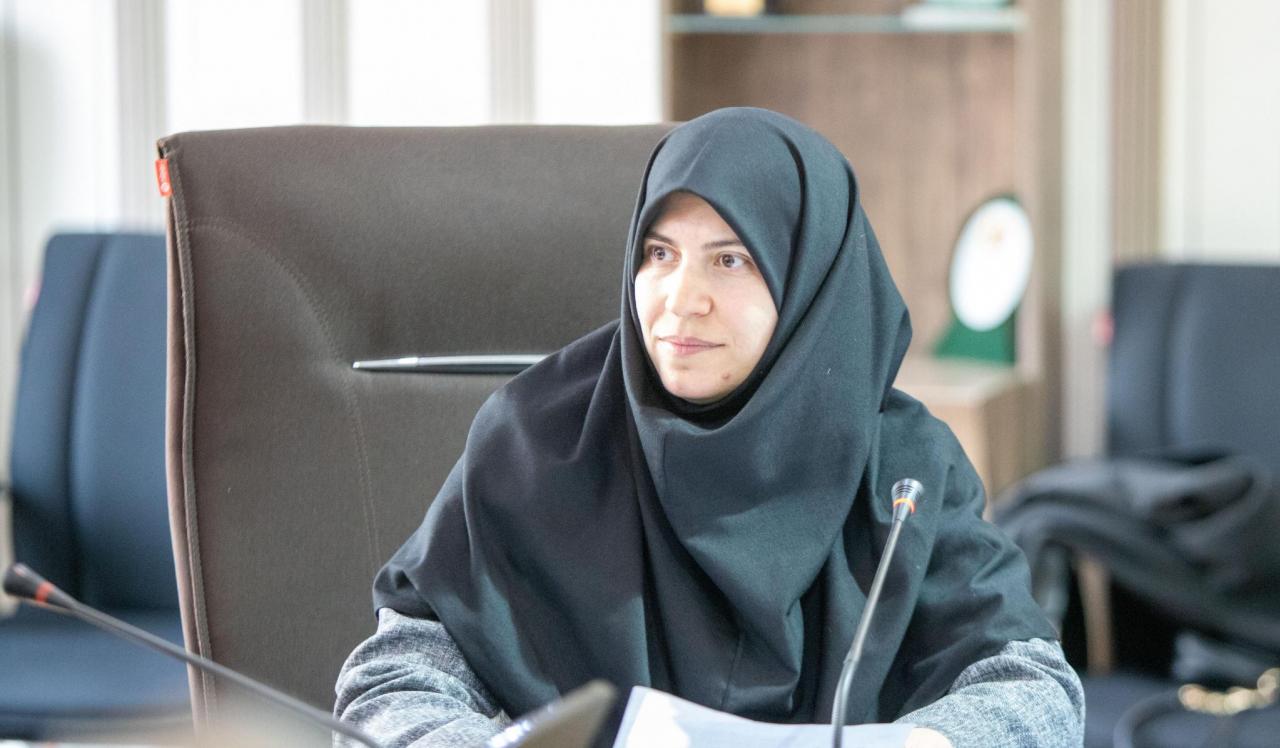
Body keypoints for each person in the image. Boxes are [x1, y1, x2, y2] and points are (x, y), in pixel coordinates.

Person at [333, 107, 1085, 747]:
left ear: (809, 285)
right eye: (659, 254)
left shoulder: (903, 469)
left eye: (730, 261)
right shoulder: (536, 440)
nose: (679, 298)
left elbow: (1035, 689)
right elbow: (393, 679)